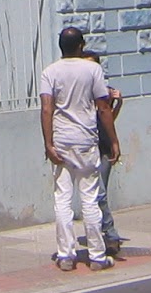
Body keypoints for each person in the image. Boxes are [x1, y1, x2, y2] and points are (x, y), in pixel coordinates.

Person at [40, 26, 119, 273]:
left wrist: (48, 144)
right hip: (86, 141)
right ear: (81, 46)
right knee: (90, 198)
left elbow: (46, 109)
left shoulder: (49, 72)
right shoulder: (93, 70)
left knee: (62, 199)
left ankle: (65, 255)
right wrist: (114, 140)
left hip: (61, 142)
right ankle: (97, 256)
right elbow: (104, 108)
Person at [83, 50, 125, 255]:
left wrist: (117, 102)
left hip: (104, 147)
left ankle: (107, 234)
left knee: (101, 193)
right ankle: (110, 233)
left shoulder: (105, 91)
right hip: (88, 146)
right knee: (98, 194)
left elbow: (109, 119)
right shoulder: (81, 93)